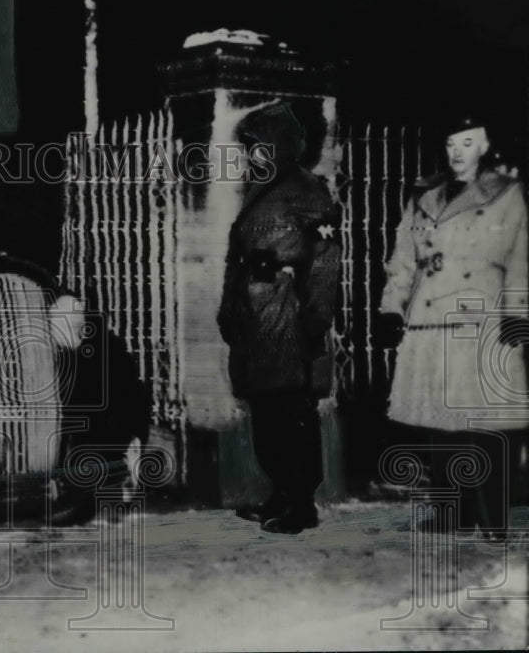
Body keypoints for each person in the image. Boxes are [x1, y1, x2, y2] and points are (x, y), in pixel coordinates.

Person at [376, 115, 527, 541]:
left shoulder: (505, 194)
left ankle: (494, 518)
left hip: (482, 320)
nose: (456, 152)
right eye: (450, 143)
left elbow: (520, 258)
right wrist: (392, 308)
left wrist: (518, 312)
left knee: (488, 424)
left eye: (466, 142)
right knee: (440, 421)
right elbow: (403, 258)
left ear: (483, 146)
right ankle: (451, 513)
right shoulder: (425, 196)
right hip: (430, 320)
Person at [217, 102, 341, 534]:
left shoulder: (308, 192)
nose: (252, 157)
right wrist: (229, 311)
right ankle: (279, 493)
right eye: (249, 149)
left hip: (289, 320)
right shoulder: (260, 190)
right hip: (257, 321)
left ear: (280, 146)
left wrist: (313, 323)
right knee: (267, 413)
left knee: (293, 414)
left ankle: (301, 503)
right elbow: (240, 260)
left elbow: (325, 265)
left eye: (259, 147)